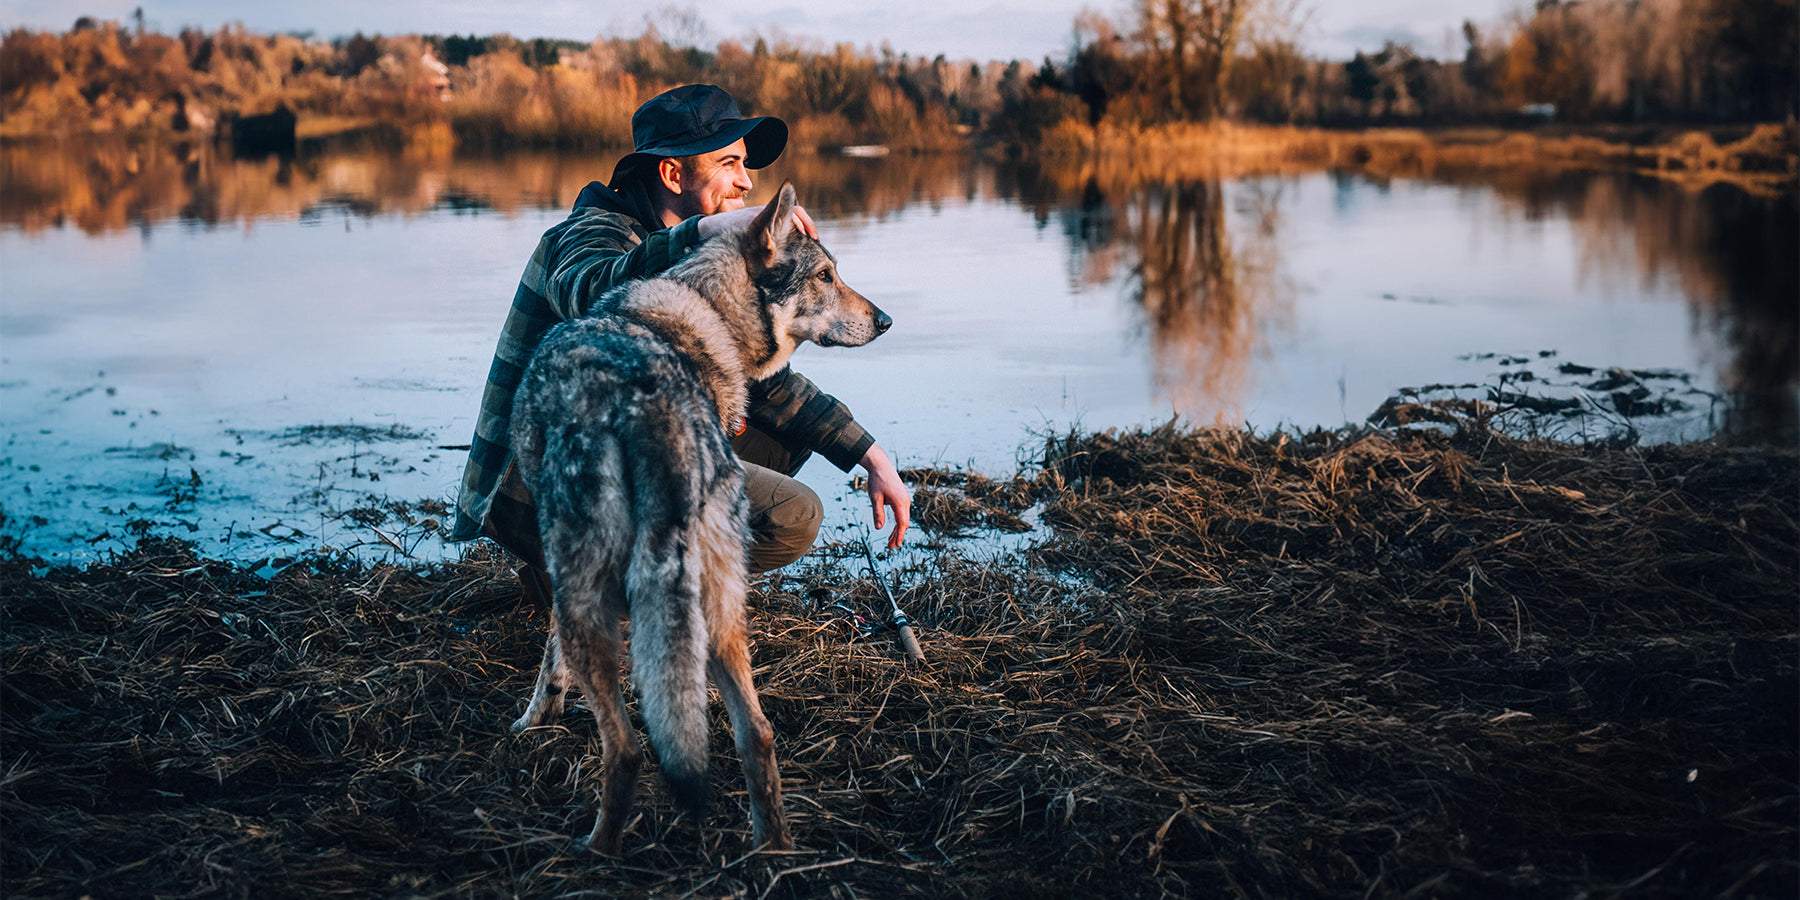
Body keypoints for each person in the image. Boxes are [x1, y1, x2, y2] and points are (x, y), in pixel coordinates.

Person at [447, 83, 910, 601]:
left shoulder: (712, 255)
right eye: (730, 163)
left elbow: (770, 383)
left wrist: (871, 457)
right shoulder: (592, 231)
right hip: (535, 487)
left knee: (784, 427)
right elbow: (589, 289)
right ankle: (623, 588)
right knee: (792, 516)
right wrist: (704, 231)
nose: (746, 181)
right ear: (672, 173)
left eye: (746, 165)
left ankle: (605, 578)